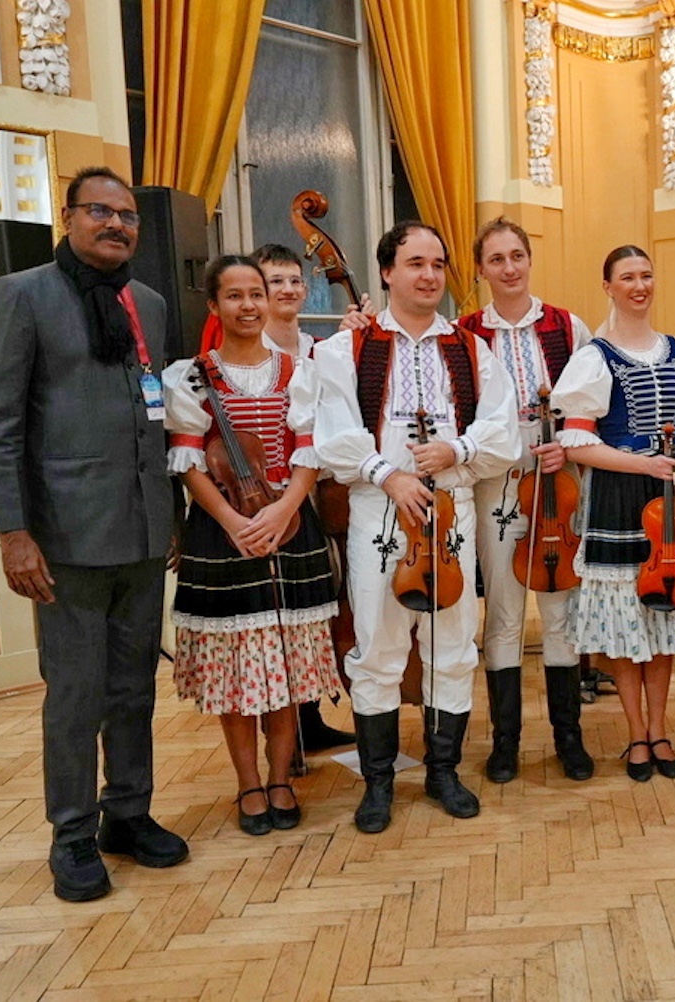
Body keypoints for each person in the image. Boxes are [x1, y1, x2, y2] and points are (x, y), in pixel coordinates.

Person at [0, 166, 188, 901]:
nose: (115, 224)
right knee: (75, 694)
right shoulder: (23, 295)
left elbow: (155, 418)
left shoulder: (148, 303)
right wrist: (13, 532)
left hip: (143, 531)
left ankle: (127, 814)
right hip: (64, 538)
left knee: (133, 688)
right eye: (99, 211)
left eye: (127, 215)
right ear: (68, 217)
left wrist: (169, 514)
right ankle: (71, 834)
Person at [314, 221, 519, 834]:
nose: (429, 276)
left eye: (436, 264)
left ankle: (443, 771)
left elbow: (503, 430)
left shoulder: (471, 350)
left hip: (450, 510)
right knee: (377, 647)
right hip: (379, 508)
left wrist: (458, 449)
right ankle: (378, 782)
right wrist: (388, 474)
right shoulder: (345, 349)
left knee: (452, 644)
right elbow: (332, 433)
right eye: (414, 263)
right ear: (387, 272)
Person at [162, 255, 340, 835]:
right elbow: (189, 461)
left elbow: (309, 453)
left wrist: (283, 509)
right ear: (215, 305)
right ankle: (247, 783)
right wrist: (234, 522)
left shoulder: (297, 370)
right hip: (221, 530)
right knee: (235, 671)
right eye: (234, 295)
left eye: (256, 294)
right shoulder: (189, 376)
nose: (248, 305)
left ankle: (281, 777)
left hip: (290, 523)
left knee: (285, 664)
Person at [552, 244, 675, 782]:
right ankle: (636, 732)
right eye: (627, 277)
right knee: (625, 618)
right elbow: (576, 442)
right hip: (621, 494)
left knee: (664, 608)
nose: (639, 286)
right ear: (608, 286)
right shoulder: (594, 357)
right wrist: (643, 464)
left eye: (646, 275)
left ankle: (660, 729)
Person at [455, 218, 595, 783]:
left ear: (529, 259)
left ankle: (568, 737)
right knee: (504, 613)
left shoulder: (567, 326)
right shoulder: (464, 334)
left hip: (560, 483)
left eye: (517, 256)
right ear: (481, 269)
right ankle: (505, 742)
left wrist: (568, 443)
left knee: (560, 610)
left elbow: (588, 403)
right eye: (496, 259)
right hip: (496, 485)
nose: (509, 268)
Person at [249, 241, 358, 753]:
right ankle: (280, 729)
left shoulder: (320, 350)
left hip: (322, 494)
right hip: (270, 495)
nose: (289, 289)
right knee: (274, 611)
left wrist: (356, 340)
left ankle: (309, 717)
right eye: (276, 281)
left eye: (296, 280)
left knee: (315, 607)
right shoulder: (251, 353)